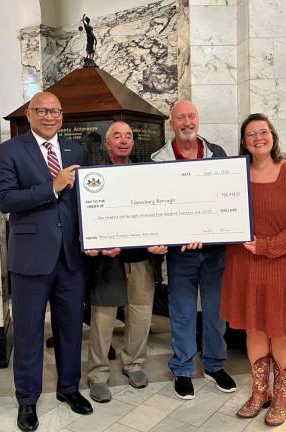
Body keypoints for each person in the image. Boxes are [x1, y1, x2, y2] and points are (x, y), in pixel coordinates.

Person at [0, 92, 93, 432]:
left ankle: (69, 389)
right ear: (30, 113)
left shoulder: (76, 150)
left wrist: (94, 239)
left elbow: (85, 203)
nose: (50, 116)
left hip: (70, 257)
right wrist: (52, 187)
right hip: (31, 259)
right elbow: (5, 200)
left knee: (70, 329)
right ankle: (27, 399)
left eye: (56, 111)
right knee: (28, 332)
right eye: (43, 110)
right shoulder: (11, 151)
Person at [221, 113, 286, 426]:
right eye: (250, 134)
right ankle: (260, 392)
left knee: (283, 330)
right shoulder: (235, 175)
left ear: (272, 136)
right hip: (245, 266)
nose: (257, 138)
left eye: (262, 132)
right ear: (243, 141)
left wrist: (268, 246)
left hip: (285, 265)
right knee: (255, 329)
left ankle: (282, 398)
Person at [151, 100, 237, 400]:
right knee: (183, 313)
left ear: (197, 120)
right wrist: (162, 236)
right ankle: (183, 369)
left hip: (215, 251)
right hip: (180, 254)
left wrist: (209, 229)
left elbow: (227, 199)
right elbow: (158, 207)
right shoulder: (159, 160)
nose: (187, 122)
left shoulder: (218, 154)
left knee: (216, 313)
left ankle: (214, 366)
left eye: (191, 116)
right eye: (180, 118)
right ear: (172, 124)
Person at [86, 121, 166, 403]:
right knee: (103, 319)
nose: (123, 140)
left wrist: (163, 239)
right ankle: (97, 374)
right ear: (107, 144)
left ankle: (134, 364)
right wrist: (94, 243)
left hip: (141, 258)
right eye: (116, 136)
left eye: (128, 136)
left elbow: (159, 211)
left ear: (133, 143)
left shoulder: (145, 175)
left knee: (141, 315)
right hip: (108, 262)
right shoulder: (95, 177)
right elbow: (89, 217)